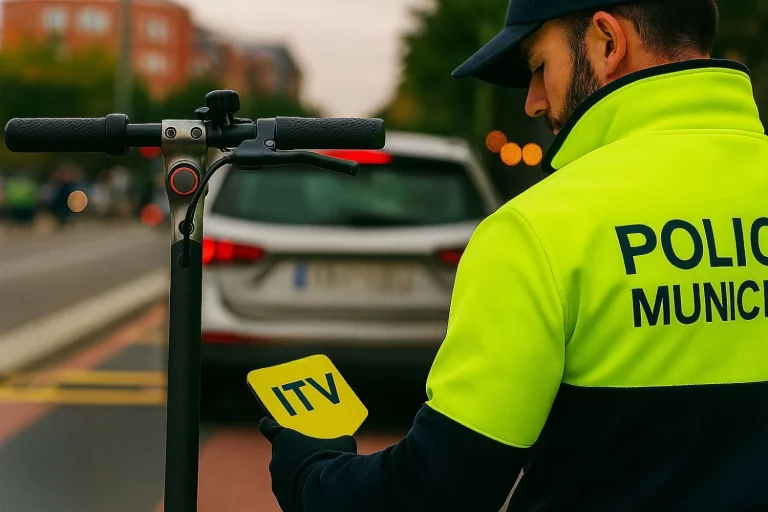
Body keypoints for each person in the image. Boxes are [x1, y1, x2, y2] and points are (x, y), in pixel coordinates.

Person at [259, 0, 768, 510]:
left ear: (607, 42)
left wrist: (312, 472)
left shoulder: (539, 230)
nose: (533, 101)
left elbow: (433, 493)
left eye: (537, 67)